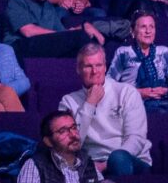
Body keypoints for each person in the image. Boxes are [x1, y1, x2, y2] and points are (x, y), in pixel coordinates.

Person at [59, 41, 150, 176]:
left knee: (118, 159)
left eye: (99, 65)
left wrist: (106, 165)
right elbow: (72, 143)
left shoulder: (127, 92)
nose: (94, 71)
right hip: (90, 164)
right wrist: (89, 104)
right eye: (88, 66)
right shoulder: (68, 102)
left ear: (105, 67)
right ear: (78, 69)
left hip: (129, 160)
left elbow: (136, 139)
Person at [107, 10, 168, 114]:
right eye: (143, 27)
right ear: (132, 31)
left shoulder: (164, 52)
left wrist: (165, 91)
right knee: (159, 113)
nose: (148, 31)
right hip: (134, 104)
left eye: (151, 27)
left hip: (164, 102)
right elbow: (109, 85)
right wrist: (138, 92)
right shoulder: (123, 53)